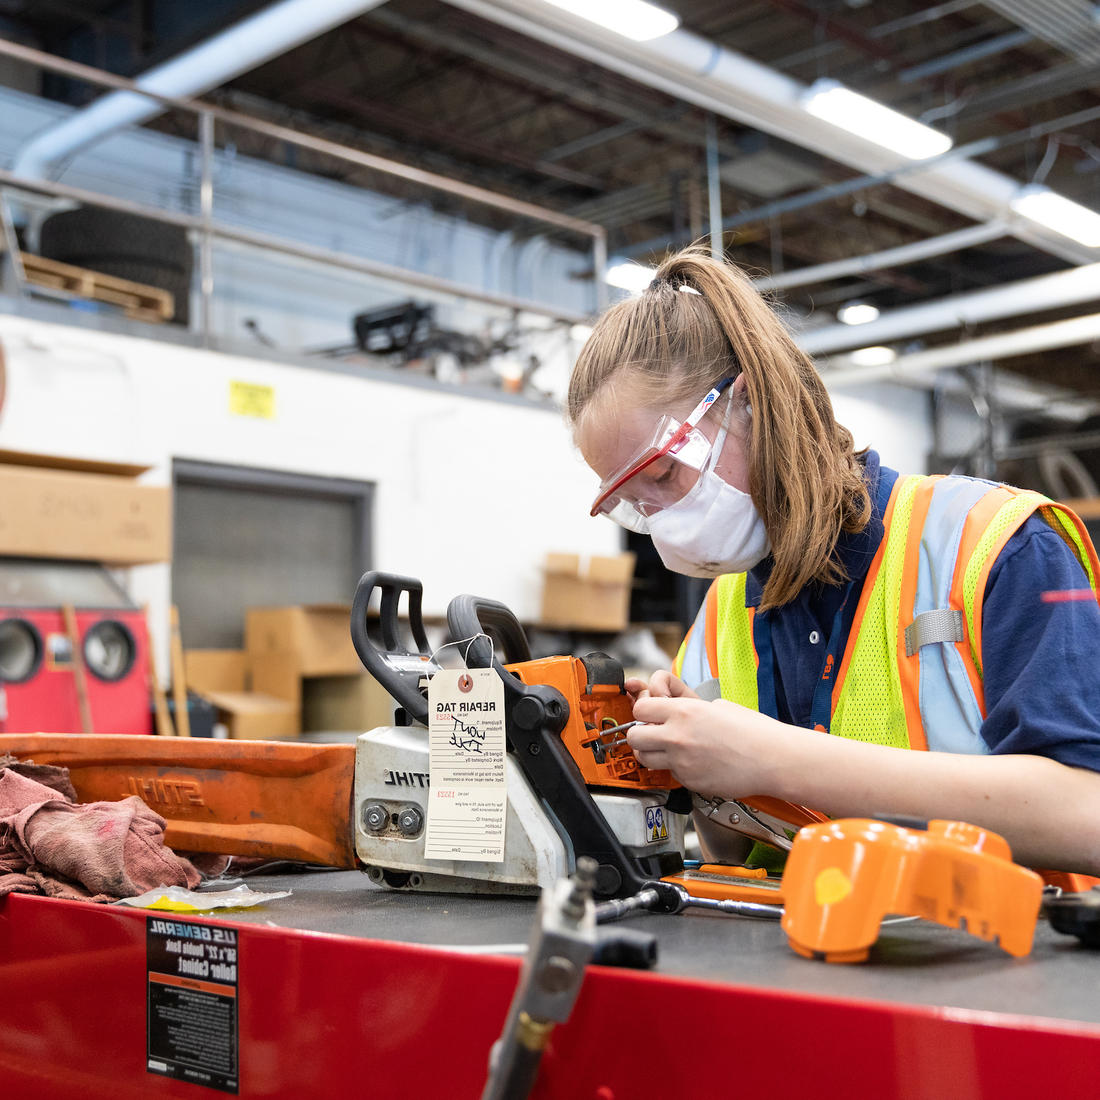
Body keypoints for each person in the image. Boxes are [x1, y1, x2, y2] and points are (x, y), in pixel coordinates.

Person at [568, 247, 1100, 877]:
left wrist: (774, 758)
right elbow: (736, 857)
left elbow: (1086, 816)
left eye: (661, 474)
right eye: (633, 503)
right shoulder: (716, 626)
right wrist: (686, 763)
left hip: (1009, 962)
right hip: (809, 964)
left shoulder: (996, 545)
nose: (659, 519)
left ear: (750, 404)